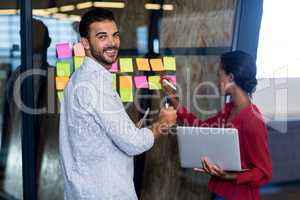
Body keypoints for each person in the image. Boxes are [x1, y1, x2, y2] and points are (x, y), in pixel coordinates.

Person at [59, 8, 177, 200]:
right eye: (102, 37)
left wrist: (130, 130)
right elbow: (133, 143)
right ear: (85, 43)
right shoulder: (95, 84)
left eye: (115, 35)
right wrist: (162, 124)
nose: (112, 43)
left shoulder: (78, 78)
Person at [162, 51, 272, 200]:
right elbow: (200, 128)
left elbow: (263, 172)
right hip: (220, 191)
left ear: (231, 77)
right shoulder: (229, 109)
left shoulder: (253, 121)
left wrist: (229, 176)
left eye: (219, 74)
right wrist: (174, 99)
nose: (216, 79)